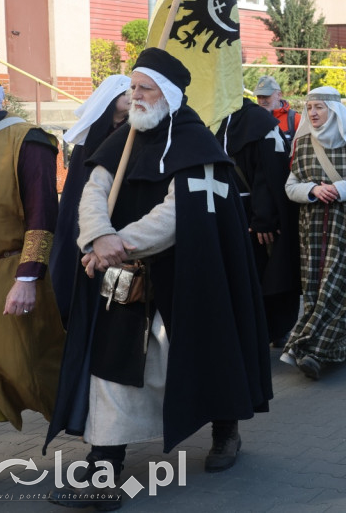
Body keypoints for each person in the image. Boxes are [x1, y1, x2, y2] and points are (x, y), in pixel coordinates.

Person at [46, 49, 272, 507]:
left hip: (187, 277)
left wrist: (117, 243)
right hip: (124, 280)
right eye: (132, 89)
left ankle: (226, 431)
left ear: (168, 95)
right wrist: (97, 237)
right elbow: (93, 191)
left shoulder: (197, 147)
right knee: (112, 368)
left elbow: (176, 216)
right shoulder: (124, 140)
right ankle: (106, 459)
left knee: (203, 358)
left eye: (144, 89)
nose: (135, 98)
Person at [0, 51, 65, 487]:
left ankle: (102, 437)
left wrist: (28, 277)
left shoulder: (26, 140)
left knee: (33, 370)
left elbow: (42, 213)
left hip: (8, 278)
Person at [281, 87, 346, 378]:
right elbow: (290, 186)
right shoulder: (300, 143)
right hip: (310, 228)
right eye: (309, 107)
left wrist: (341, 189)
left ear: (334, 110)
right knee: (315, 287)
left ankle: (315, 351)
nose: (312, 113)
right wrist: (311, 189)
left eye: (319, 107)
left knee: (341, 285)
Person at [216, 97, 301, 349]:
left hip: (253, 219)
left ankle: (269, 330)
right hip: (225, 214)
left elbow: (269, 174)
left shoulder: (257, 121)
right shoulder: (211, 115)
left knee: (263, 276)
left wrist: (264, 218)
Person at [51, 75, 131, 327]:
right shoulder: (90, 140)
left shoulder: (134, 135)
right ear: (109, 101)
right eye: (124, 94)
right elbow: (77, 189)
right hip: (88, 217)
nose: (131, 98)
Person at [254, 75, 299, 148]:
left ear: (279, 95)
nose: (262, 101)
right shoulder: (253, 119)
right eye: (259, 97)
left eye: (266, 96)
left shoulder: (295, 119)